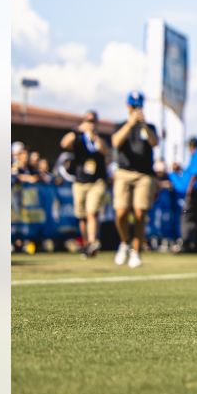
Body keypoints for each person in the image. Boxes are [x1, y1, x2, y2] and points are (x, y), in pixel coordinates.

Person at [110, 92, 158, 268]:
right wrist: (130, 124)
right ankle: (124, 243)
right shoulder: (120, 125)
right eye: (133, 105)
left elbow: (154, 143)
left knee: (140, 213)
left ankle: (136, 251)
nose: (136, 109)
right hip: (124, 172)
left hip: (144, 175)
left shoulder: (150, 126)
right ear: (127, 106)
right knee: (121, 212)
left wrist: (143, 125)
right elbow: (115, 142)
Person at [60, 109, 107, 258]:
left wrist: (95, 137)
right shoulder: (78, 136)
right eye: (88, 120)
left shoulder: (98, 138)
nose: (90, 123)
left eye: (93, 121)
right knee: (82, 216)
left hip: (96, 181)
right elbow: (64, 143)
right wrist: (77, 130)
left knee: (92, 212)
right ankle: (87, 244)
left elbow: (105, 151)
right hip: (80, 181)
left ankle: (93, 241)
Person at [175, 137, 197, 254]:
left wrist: (189, 190)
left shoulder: (196, 155)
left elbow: (194, 175)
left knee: (187, 216)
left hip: (195, 192)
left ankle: (186, 244)